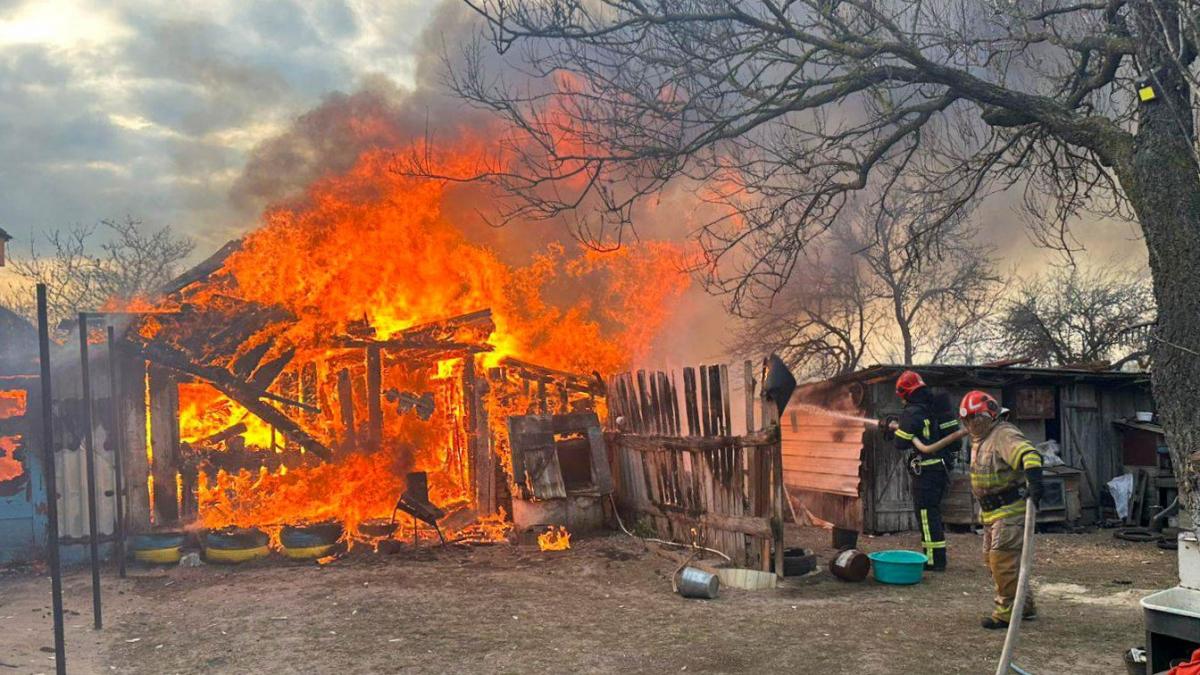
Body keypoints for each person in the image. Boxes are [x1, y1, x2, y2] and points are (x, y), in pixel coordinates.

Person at [959, 389, 1044, 630]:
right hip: (990, 512)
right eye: (967, 420)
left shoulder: (1003, 434)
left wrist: (1035, 483)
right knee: (993, 561)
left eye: (975, 418)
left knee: (1002, 561)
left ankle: (1006, 612)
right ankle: (1024, 605)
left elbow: (1029, 454)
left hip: (1010, 510)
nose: (971, 424)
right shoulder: (980, 439)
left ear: (990, 415)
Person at [889, 370, 967, 571]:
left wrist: (892, 427)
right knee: (932, 513)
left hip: (926, 473)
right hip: (941, 470)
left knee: (926, 515)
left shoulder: (912, 411)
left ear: (906, 392)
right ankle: (936, 557)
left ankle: (933, 560)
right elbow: (954, 443)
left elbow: (900, 443)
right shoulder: (937, 407)